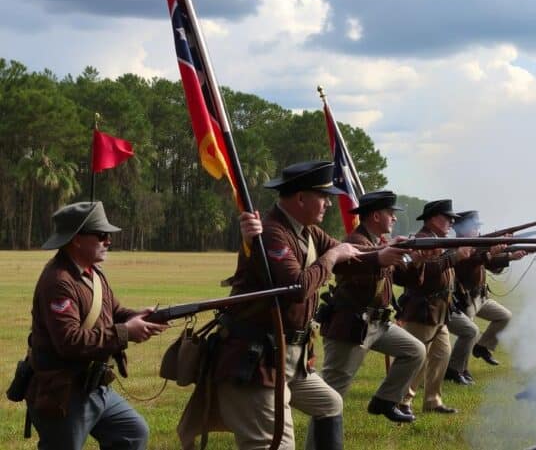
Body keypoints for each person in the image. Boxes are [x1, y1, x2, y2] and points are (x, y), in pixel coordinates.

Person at [191, 161, 407, 450]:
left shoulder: (307, 232)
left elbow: (352, 254)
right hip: (258, 361)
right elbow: (299, 286)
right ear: (301, 198)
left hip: (290, 358)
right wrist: (332, 258)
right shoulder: (271, 232)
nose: (328, 204)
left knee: (330, 403)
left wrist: (384, 253)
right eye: (323, 197)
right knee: (274, 445)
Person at [26, 201, 168, 450]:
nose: (108, 241)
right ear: (77, 240)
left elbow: (113, 312)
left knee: (132, 434)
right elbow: (69, 341)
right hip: (64, 392)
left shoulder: (93, 273)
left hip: (94, 386)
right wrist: (127, 332)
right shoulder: (58, 282)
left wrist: (141, 316)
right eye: (102, 235)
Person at [313, 190, 426, 430]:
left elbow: (407, 281)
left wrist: (416, 259)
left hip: (378, 324)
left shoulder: (379, 244)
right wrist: (380, 257)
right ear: (375, 216)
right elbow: (346, 269)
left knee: (414, 350)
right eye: (390, 213)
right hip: (352, 327)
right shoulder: (355, 243)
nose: (394, 218)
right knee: (329, 400)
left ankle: (385, 401)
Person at [394, 199, 472, 414]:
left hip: (440, 311)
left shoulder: (439, 240)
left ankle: (432, 401)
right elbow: (425, 274)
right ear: (432, 219)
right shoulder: (422, 241)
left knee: (441, 355)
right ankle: (403, 401)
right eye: (447, 218)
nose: (451, 222)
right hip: (423, 309)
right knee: (417, 359)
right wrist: (455, 257)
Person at [446, 211, 523, 383]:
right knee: (469, 333)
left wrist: (509, 256)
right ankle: (456, 369)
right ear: (463, 229)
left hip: (481, 297)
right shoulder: (457, 248)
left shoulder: (477, 245)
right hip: (465, 299)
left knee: (504, 316)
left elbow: (490, 264)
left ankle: (483, 347)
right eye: (474, 227)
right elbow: (472, 262)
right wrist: (489, 253)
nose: (477, 230)